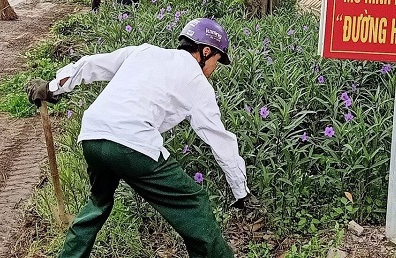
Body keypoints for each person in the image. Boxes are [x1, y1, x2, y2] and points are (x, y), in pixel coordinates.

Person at [26, 17, 249, 258]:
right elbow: (221, 140)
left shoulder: (145, 52)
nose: (214, 69)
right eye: (216, 60)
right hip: (132, 144)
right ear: (205, 51)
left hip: (93, 135)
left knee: (98, 203)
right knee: (194, 203)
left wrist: (51, 87)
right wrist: (240, 191)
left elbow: (92, 65)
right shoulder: (197, 82)